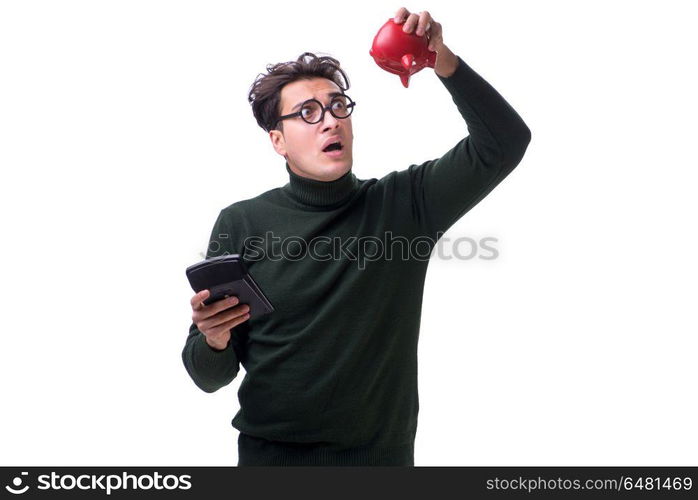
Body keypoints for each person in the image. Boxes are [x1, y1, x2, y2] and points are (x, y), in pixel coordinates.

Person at [181, 7, 531, 466]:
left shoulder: (405, 205)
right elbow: (210, 378)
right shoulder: (242, 222)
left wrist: (441, 58)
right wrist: (213, 339)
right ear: (278, 141)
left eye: (338, 106)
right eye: (307, 112)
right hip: (271, 463)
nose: (330, 120)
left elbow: (505, 142)